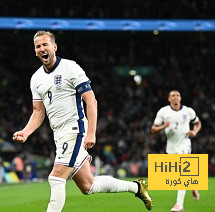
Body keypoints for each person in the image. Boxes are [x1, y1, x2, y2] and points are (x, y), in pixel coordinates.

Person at [13, 30, 153, 212]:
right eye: (38, 46)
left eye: (45, 44)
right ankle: (137, 187)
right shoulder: (36, 79)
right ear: (35, 51)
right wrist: (26, 131)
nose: (42, 49)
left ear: (54, 47)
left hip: (75, 130)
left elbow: (91, 100)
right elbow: (38, 113)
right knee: (89, 186)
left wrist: (91, 133)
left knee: (56, 178)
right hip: (59, 135)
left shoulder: (71, 68)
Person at [151, 90, 202, 212]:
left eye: (178, 95)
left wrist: (194, 131)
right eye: (173, 96)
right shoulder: (163, 112)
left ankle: (179, 205)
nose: (175, 97)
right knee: (179, 176)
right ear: (169, 99)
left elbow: (198, 123)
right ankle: (192, 185)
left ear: (180, 98)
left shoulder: (188, 111)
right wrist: (164, 126)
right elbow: (153, 129)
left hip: (184, 145)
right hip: (171, 148)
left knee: (182, 175)